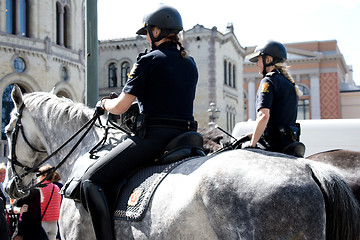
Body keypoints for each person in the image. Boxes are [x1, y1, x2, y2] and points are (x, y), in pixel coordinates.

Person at [81, 4, 198, 239]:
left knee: (90, 181)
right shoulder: (190, 62)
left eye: (147, 32)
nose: (146, 37)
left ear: (156, 32)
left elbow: (121, 106)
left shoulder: (148, 60)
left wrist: (104, 104)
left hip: (155, 139)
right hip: (187, 138)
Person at [242, 41, 304, 156]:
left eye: (259, 60)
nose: (257, 64)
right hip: (289, 143)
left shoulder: (268, 81)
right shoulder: (290, 84)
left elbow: (263, 116)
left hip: (273, 144)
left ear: (268, 60)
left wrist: (253, 143)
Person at [37, 164, 61, 240]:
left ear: (44, 175)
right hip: (54, 223)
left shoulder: (39, 188)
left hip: (42, 222)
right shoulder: (56, 188)